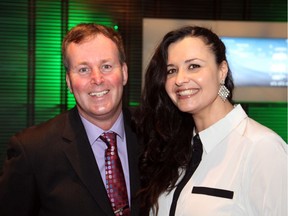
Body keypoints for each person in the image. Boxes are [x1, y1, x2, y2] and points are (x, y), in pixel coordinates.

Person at [134, 26, 287, 216]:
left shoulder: (261, 148)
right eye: (172, 70)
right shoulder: (176, 149)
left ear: (222, 71)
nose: (180, 79)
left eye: (194, 66)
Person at [0, 23, 140, 216]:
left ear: (124, 73)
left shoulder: (156, 134)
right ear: (68, 82)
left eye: (106, 66)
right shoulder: (32, 150)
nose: (97, 79)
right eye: (83, 70)